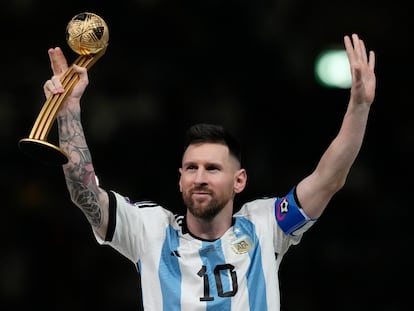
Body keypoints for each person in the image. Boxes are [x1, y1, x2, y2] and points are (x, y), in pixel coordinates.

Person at [43, 33, 376, 310]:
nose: (199, 177)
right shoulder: (150, 230)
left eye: (213, 168)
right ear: (180, 178)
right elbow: (82, 190)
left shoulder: (265, 226)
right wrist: (68, 111)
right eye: (191, 168)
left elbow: (328, 179)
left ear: (239, 180)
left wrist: (359, 107)